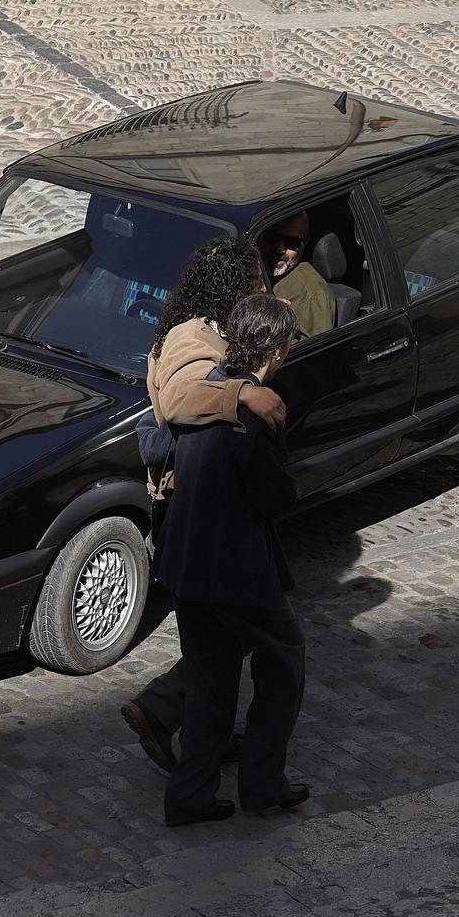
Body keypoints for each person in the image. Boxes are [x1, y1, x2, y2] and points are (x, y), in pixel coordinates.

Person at [121, 237, 287, 774]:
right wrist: (243, 394)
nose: (265, 291)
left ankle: (196, 733)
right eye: (257, 285)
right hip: (197, 512)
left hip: (200, 512)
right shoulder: (193, 336)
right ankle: (165, 710)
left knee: (221, 637)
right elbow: (178, 399)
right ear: (232, 290)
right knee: (234, 633)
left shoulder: (204, 330)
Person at [155, 292, 308, 825]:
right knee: (285, 660)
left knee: (212, 678)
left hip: (185, 561)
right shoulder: (255, 415)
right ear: (278, 350)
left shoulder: (205, 388)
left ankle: (190, 794)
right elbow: (275, 499)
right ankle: (263, 785)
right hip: (235, 569)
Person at [260, 210, 332, 340]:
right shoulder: (252, 270)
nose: (279, 249)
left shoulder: (311, 292)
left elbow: (316, 352)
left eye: (292, 243)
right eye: (272, 238)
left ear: (304, 245)